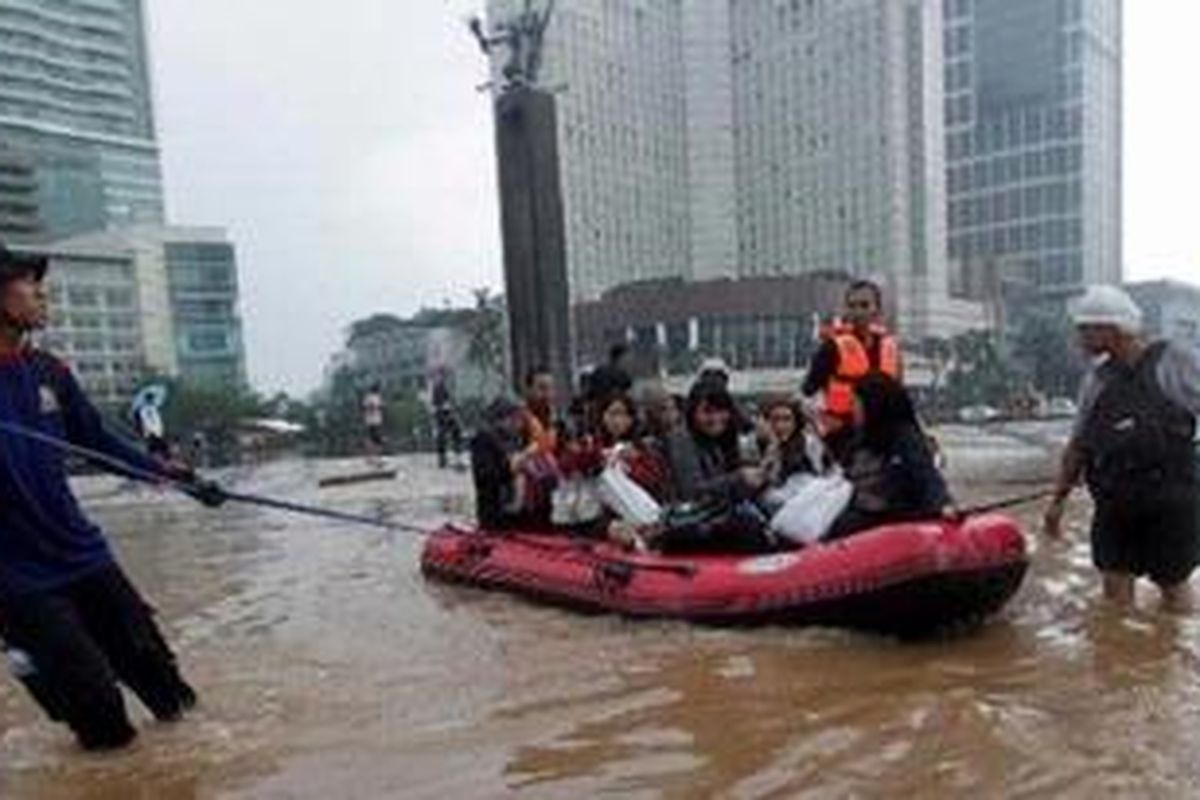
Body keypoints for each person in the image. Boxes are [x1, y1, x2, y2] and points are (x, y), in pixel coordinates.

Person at [0, 244, 225, 751]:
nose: (40, 291)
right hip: (19, 581)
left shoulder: (49, 372)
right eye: (25, 281)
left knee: (169, 693)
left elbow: (99, 443)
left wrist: (177, 476)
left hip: (83, 555)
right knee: (100, 715)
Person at [1043, 285, 1200, 613]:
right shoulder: (1096, 381)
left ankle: (1174, 660)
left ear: (1111, 329)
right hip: (1116, 504)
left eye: (1085, 329)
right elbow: (1078, 446)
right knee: (1114, 597)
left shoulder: (1175, 360)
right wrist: (1057, 501)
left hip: (1171, 502)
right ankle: (1120, 662)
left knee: (1174, 589)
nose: (1079, 338)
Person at [645, 382, 771, 553]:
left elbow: (728, 488)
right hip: (689, 525)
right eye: (707, 412)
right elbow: (691, 491)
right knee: (748, 527)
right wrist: (739, 478)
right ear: (693, 412)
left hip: (711, 517)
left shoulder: (717, 440)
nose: (716, 417)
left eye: (721, 410)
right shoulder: (682, 439)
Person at [826, 374, 956, 541]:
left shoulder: (905, 439)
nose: (853, 408)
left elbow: (926, 475)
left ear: (873, 405)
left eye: (856, 403)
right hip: (862, 509)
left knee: (843, 526)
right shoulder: (860, 438)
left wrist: (943, 505)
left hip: (891, 515)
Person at [802, 280, 902, 451]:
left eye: (864, 305)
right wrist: (822, 422)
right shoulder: (831, 348)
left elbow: (900, 397)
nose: (858, 312)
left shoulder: (891, 347)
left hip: (885, 434)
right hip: (843, 438)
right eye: (852, 306)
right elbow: (806, 394)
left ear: (877, 310)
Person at [469, 397, 529, 530]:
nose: (520, 424)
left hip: (516, 512)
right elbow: (485, 477)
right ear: (504, 418)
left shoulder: (513, 439)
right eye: (516, 419)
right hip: (495, 514)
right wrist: (510, 468)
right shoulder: (483, 439)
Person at [757, 394, 828, 489]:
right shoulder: (770, 444)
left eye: (787, 419)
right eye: (775, 419)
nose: (780, 426)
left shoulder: (808, 443)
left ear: (795, 422)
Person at [362, 383, 385, 457]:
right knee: (374, 436)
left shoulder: (377, 397)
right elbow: (366, 407)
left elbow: (380, 407)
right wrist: (373, 408)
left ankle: (376, 453)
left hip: (376, 419)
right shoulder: (370, 397)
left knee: (375, 436)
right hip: (372, 420)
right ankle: (373, 453)